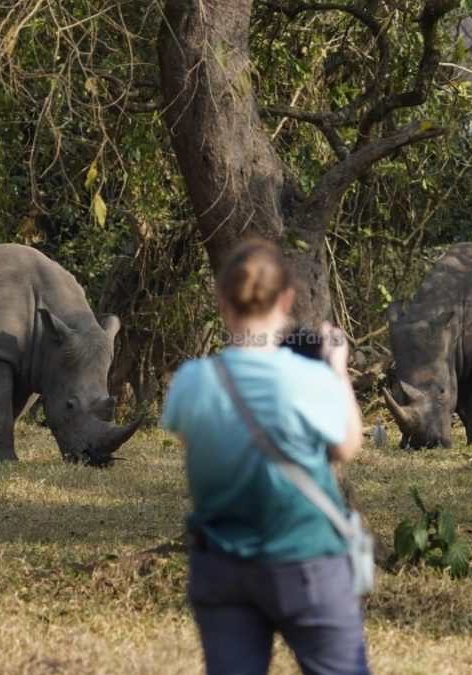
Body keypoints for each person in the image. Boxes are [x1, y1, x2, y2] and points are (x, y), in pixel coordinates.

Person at [161, 239, 368, 675]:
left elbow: (189, 440)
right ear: (287, 300)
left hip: (221, 566)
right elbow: (348, 446)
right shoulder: (311, 379)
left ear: (221, 301)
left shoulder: (191, 381)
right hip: (307, 564)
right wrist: (337, 369)